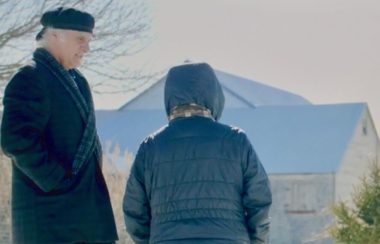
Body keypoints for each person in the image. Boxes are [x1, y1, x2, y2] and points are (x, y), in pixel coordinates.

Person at [1, 7, 118, 244]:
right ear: (55, 35)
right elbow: (15, 140)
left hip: (84, 218)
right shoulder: (29, 77)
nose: (87, 48)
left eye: (88, 41)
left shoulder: (79, 81)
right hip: (49, 218)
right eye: (80, 39)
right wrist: (57, 181)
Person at [123, 63, 272, 243]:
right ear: (214, 95)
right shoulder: (236, 141)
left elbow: (134, 209)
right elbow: (259, 199)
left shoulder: (151, 147)